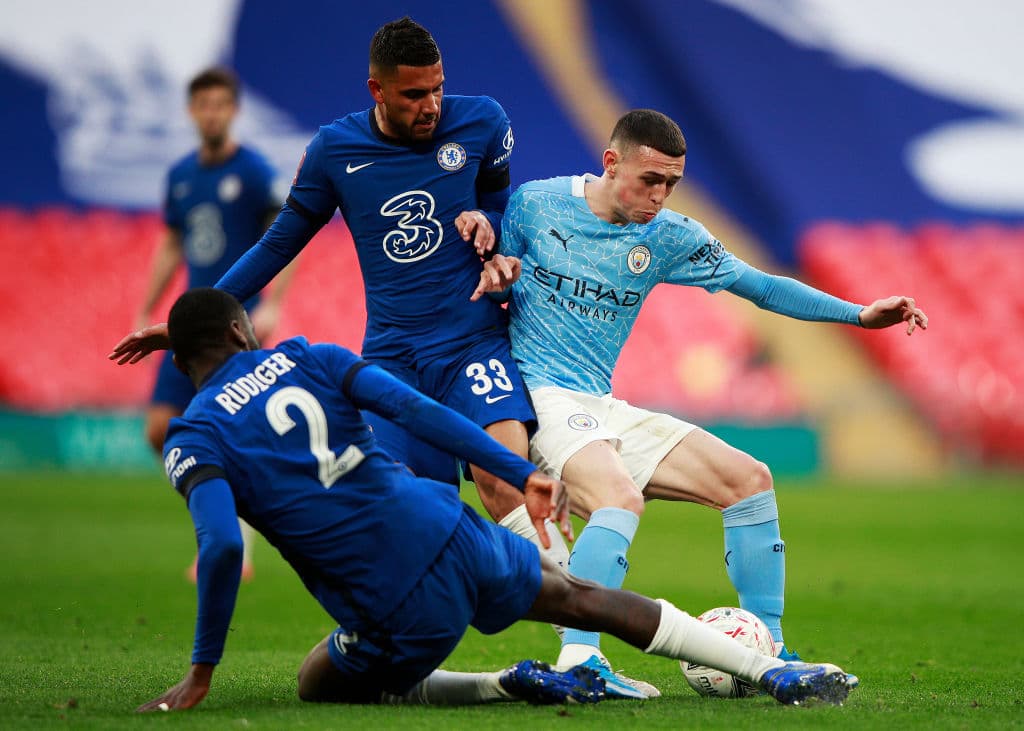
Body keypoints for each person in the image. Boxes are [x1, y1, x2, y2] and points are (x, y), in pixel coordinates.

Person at [110, 17, 593, 688]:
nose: (431, 105)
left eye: (437, 89)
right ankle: (438, 671)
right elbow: (280, 241)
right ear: (377, 90)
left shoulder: (483, 121)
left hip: (471, 339)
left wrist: (493, 232)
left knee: (500, 477)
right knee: (414, 514)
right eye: (413, 94)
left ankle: (584, 649)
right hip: (392, 355)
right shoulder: (336, 150)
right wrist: (196, 318)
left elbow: (499, 201)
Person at [135, 287, 856, 712]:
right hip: (450, 527)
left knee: (316, 679)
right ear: (240, 329)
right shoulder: (309, 356)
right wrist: (518, 468)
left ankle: (501, 683)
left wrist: (201, 670)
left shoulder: (192, 436)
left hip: (390, 597)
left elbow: (222, 545)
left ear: (180, 359)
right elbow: (416, 410)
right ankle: (775, 671)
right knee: (581, 599)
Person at [473, 109, 927, 680]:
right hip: (540, 393)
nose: (659, 196)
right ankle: (581, 659)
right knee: (617, 498)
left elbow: (761, 286)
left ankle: (767, 649)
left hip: (599, 402)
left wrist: (858, 314)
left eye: (671, 183)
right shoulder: (536, 204)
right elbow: (484, 283)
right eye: (650, 180)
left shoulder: (670, 235)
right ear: (611, 162)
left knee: (749, 480)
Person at [135, 66, 297, 581]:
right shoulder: (182, 176)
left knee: (230, 426)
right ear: (192, 111)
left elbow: (285, 237)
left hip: (233, 323)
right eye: (203, 105)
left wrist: (272, 303)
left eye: (220, 105)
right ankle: (221, 524)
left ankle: (231, 542)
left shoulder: (253, 172)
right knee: (160, 428)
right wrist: (147, 305)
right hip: (188, 319)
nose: (211, 114)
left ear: (233, 111)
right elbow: (172, 243)